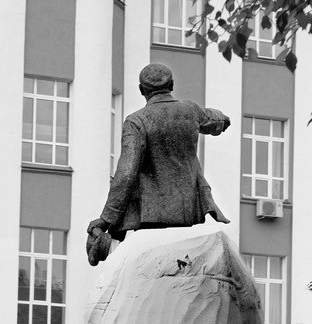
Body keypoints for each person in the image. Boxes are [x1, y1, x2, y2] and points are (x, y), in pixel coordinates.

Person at [86, 62, 231, 265]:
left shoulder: (136, 121)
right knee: (180, 263)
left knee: (151, 263)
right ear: (171, 85)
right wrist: (222, 120)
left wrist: (106, 219)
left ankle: (108, 247)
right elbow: (219, 120)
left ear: (141, 90)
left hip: (151, 214)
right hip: (188, 209)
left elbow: (126, 174)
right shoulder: (190, 111)